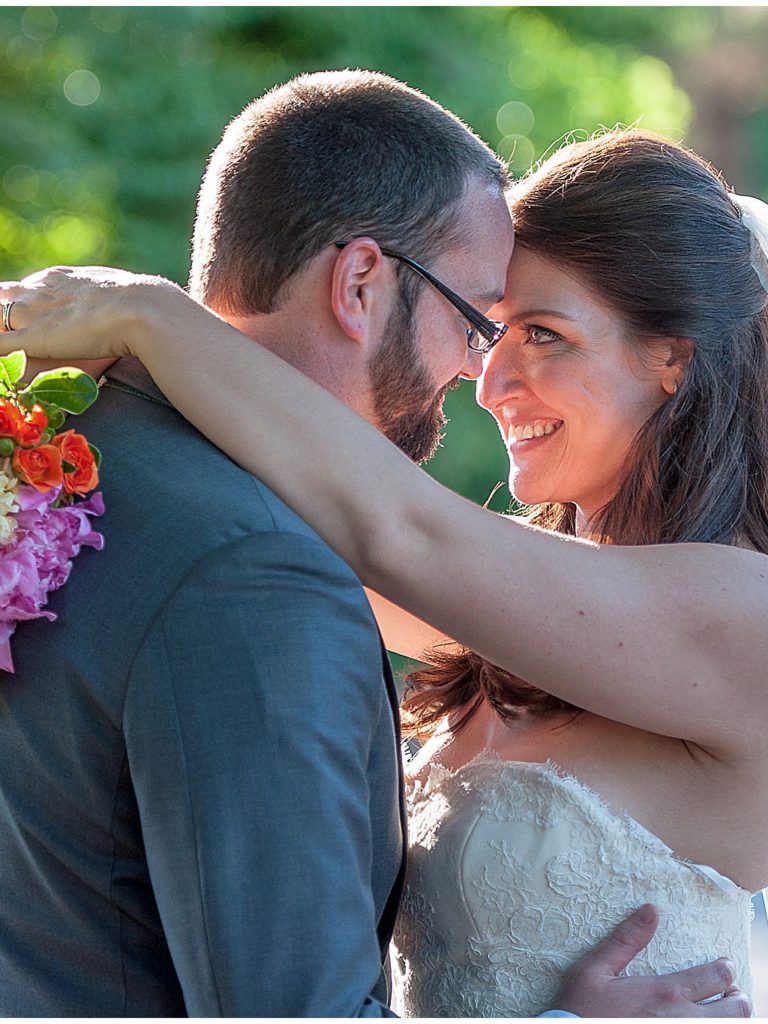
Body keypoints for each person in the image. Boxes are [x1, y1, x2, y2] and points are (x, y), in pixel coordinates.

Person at [0, 75, 732, 1019]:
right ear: (357, 285)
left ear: (672, 361)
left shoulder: (72, 471)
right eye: (483, 324)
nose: (486, 376)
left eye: (540, 335)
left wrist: (151, 317)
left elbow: (404, 532)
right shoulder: (252, 570)